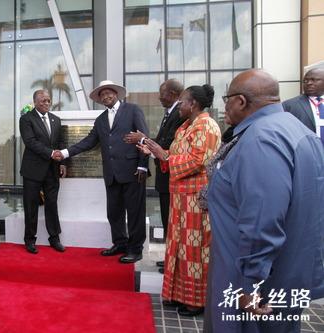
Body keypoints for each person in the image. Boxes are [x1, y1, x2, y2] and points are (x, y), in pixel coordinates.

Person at [205, 69, 324, 332]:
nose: (223, 107)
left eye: (226, 99)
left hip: (254, 284)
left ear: (241, 101)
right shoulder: (297, 130)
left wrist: (251, 286)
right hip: (289, 274)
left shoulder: (260, 140)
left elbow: (262, 221)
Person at [136, 84, 221, 316]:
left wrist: (163, 154)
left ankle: (196, 300)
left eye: (183, 101)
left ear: (193, 104)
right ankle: (177, 294)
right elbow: (174, 155)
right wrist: (156, 152)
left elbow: (196, 161)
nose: (180, 105)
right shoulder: (185, 125)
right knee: (178, 248)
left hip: (196, 199)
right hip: (179, 198)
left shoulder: (207, 125)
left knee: (195, 250)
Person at [55, 80, 149, 264]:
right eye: (102, 95)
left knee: (135, 212)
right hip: (111, 174)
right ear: (99, 99)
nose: (106, 96)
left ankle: (135, 249)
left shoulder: (133, 110)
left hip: (133, 172)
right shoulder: (100, 120)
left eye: (109, 93)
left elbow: (144, 137)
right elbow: (88, 142)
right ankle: (120, 243)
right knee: (114, 213)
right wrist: (65, 153)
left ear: (116, 94)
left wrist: (143, 165)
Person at [125, 79, 185, 269]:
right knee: (168, 222)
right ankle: (170, 260)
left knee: (173, 223)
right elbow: (161, 141)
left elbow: (168, 143)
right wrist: (149, 148)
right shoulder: (170, 113)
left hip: (172, 176)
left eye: (162, 93)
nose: (159, 97)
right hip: (164, 177)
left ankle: (174, 263)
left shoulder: (179, 114)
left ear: (174, 94)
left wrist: (143, 138)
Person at [19, 89, 66, 254]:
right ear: (35, 102)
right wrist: (51, 153)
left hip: (52, 170)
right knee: (31, 206)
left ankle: (54, 238)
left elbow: (60, 141)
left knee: (52, 205)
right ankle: (30, 240)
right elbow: (30, 142)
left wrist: (63, 163)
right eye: (43, 101)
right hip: (33, 170)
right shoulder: (26, 119)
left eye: (48, 100)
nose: (46, 103)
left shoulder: (56, 120)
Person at [283, 68, 324, 145]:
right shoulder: (289, 105)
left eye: (314, 80)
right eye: (305, 81)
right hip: (308, 153)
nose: (308, 83)